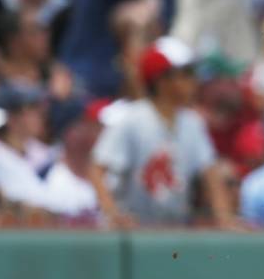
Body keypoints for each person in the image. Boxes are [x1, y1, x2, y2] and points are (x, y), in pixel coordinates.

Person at [89, 37, 237, 227]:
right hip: (130, 234)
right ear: (162, 80)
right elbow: (96, 170)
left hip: (171, 231)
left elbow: (211, 176)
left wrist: (225, 219)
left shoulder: (192, 123)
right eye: (186, 73)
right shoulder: (132, 119)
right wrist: (112, 214)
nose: (194, 80)